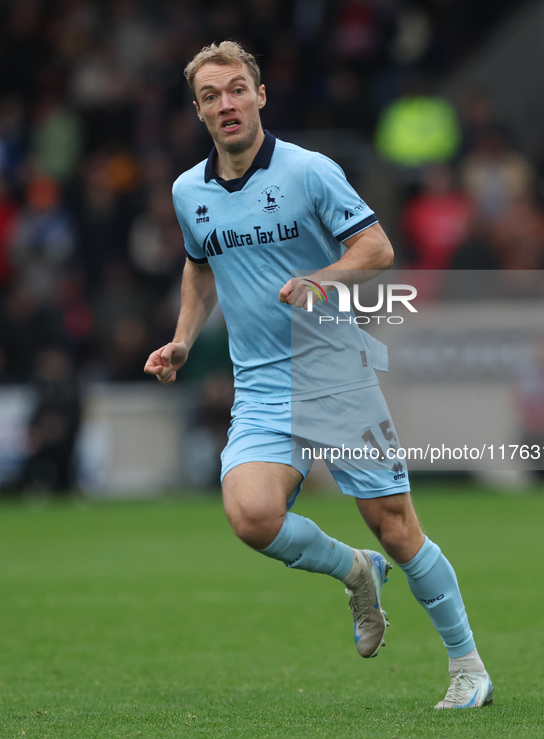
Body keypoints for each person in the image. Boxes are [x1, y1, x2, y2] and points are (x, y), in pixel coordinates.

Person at [144, 40, 493, 709]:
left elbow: (377, 247)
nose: (227, 104)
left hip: (334, 371)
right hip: (262, 386)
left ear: (260, 94)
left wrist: (321, 280)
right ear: (197, 110)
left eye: (237, 88)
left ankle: (466, 664)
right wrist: (183, 339)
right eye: (211, 96)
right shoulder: (188, 190)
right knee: (250, 514)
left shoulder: (308, 172)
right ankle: (357, 573)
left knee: (393, 523)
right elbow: (197, 265)